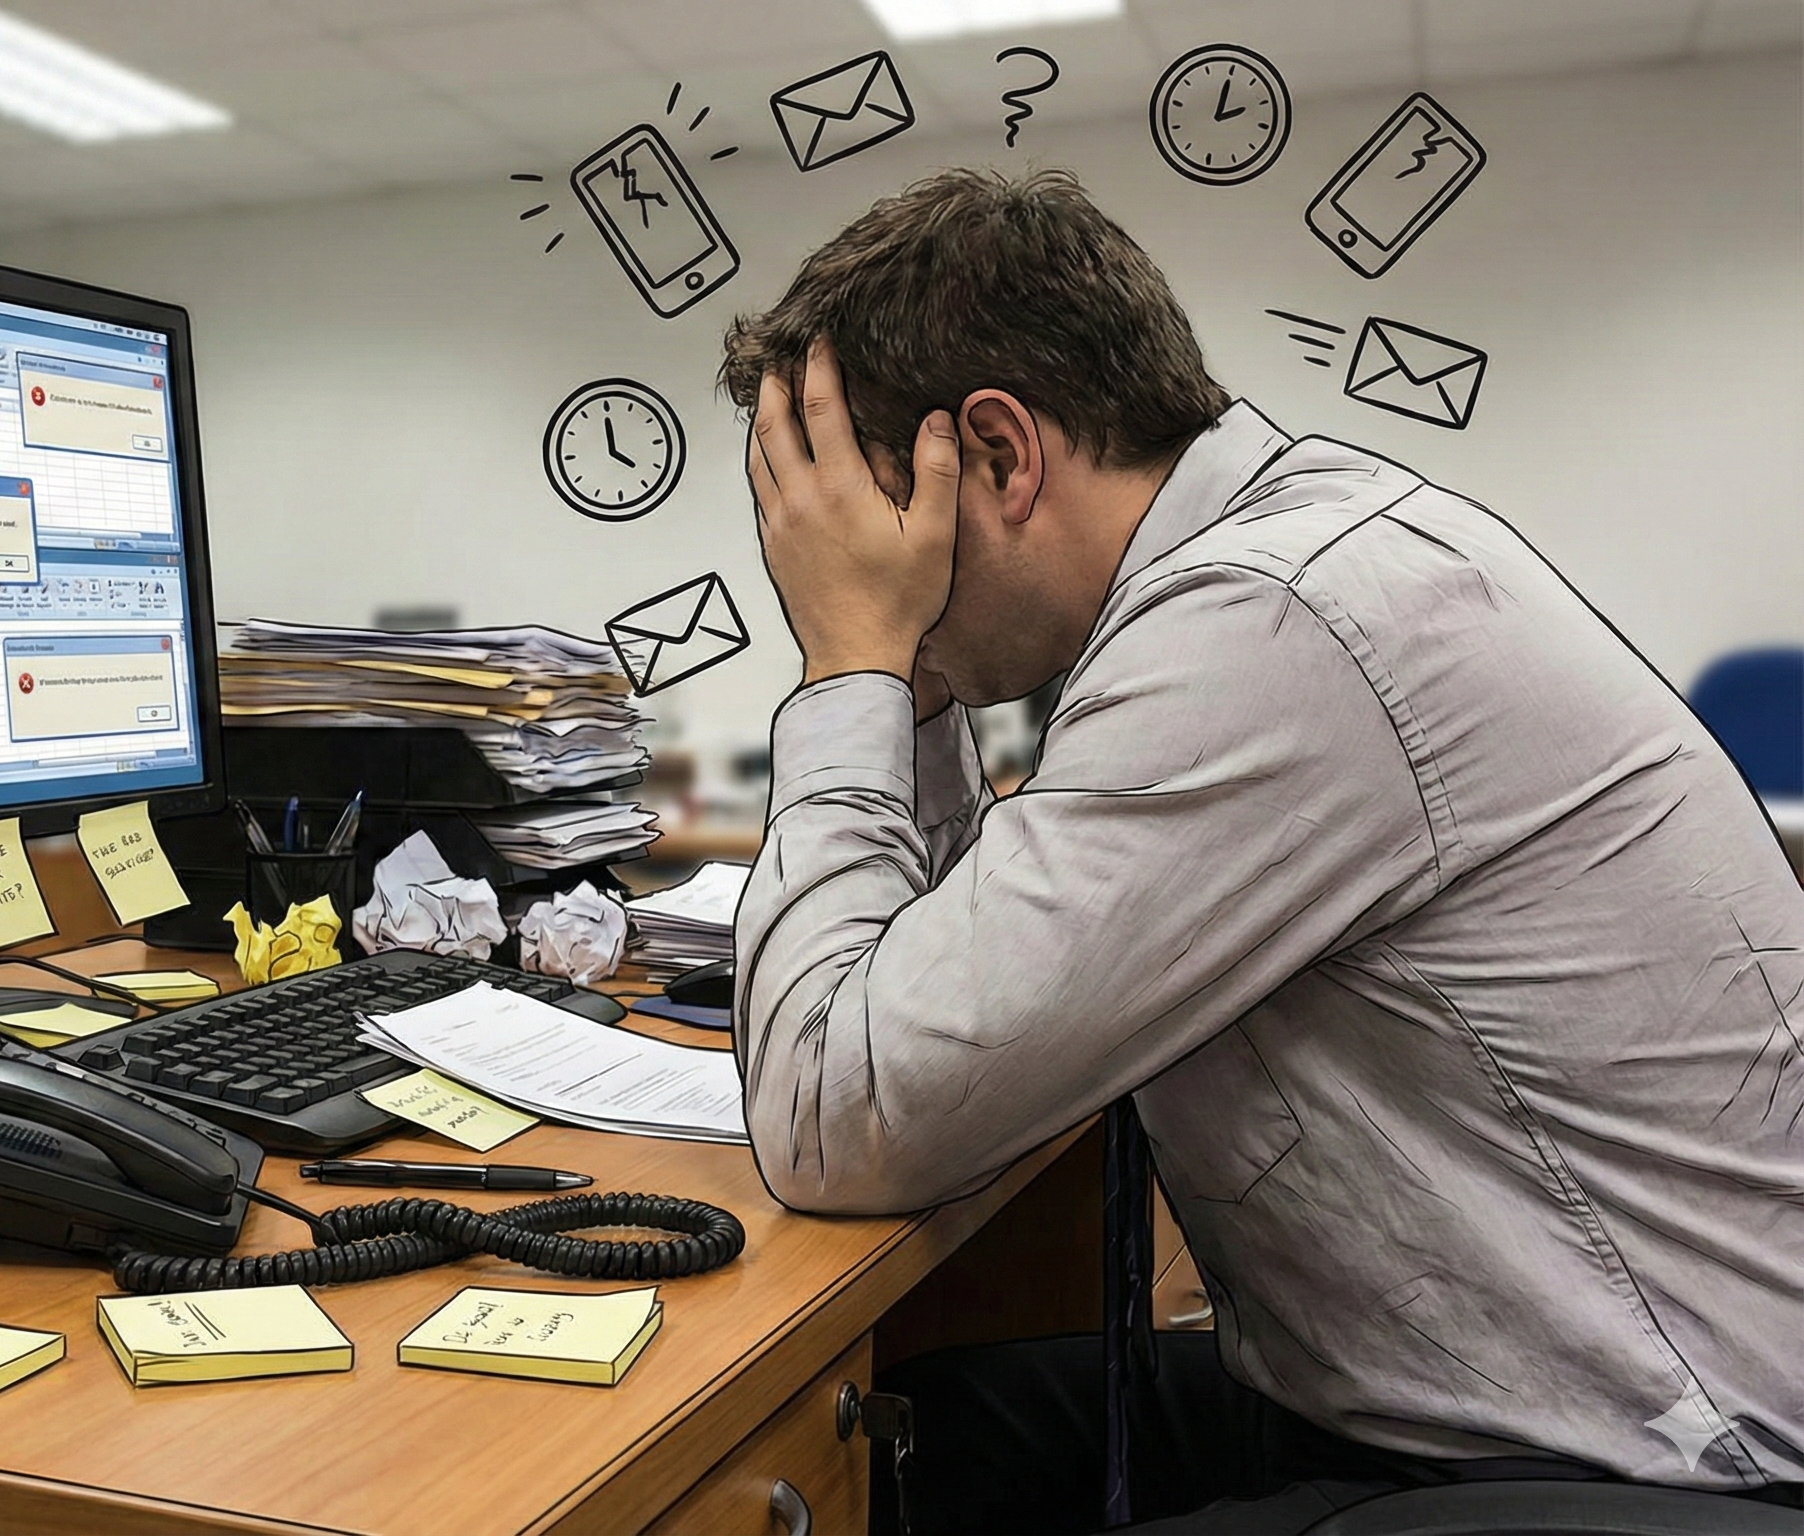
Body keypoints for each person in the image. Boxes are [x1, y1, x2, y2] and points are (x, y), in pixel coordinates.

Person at [716, 168, 1804, 1534]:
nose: (847, 565)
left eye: (871, 519)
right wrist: (915, 674)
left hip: (1650, 1456)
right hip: (1490, 1380)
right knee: (934, 1437)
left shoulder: (1272, 626)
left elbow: (839, 1119)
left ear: (996, 459)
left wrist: (853, 664)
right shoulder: (1275, 558)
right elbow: (952, 989)